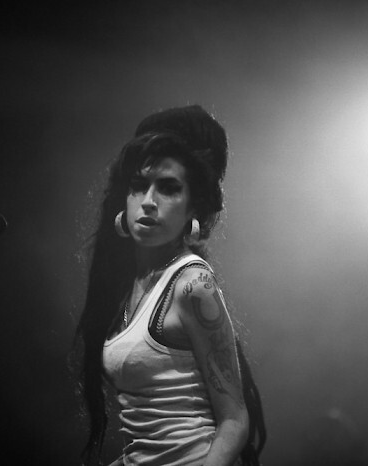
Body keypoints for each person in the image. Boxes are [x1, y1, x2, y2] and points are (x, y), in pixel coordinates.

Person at [74, 105, 266, 465]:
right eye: (138, 186)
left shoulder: (193, 284)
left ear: (193, 208)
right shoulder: (130, 284)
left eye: (168, 188)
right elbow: (150, 438)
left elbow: (235, 420)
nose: (148, 201)